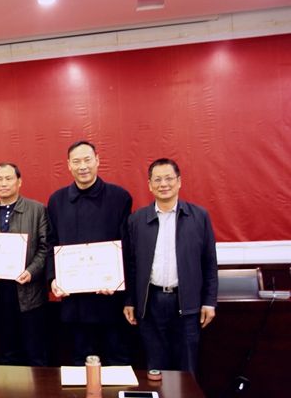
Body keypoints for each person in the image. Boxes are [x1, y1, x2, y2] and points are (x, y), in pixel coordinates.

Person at [123, 158, 217, 373]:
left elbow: (209, 262)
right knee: (156, 368)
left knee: (187, 369)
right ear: (149, 185)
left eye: (168, 179)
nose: (163, 184)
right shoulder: (137, 220)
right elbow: (131, 264)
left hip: (187, 303)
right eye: (157, 180)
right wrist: (129, 300)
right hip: (151, 303)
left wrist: (209, 301)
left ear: (179, 181)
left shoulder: (199, 216)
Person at [46, 140, 133, 366]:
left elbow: (128, 248)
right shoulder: (56, 201)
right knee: (79, 361)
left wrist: (120, 283)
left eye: (87, 160)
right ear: (68, 165)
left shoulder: (119, 197)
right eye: (76, 161)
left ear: (97, 160)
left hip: (111, 299)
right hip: (75, 302)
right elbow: (51, 243)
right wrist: (53, 278)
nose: (82, 166)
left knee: (117, 361)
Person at [0, 162, 49, 366]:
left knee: (35, 354)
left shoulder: (37, 210)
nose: (3, 183)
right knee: (7, 354)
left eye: (8, 178)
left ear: (19, 182)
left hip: (30, 294)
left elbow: (45, 247)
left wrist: (31, 271)